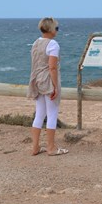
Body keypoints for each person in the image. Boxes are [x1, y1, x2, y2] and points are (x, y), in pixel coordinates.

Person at [27, 17, 68, 156]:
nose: (57, 31)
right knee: (52, 114)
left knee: (39, 114)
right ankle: (51, 148)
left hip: (37, 80)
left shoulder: (35, 43)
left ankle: (35, 147)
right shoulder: (53, 44)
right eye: (56, 28)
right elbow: (52, 67)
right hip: (48, 81)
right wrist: (55, 86)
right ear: (50, 29)